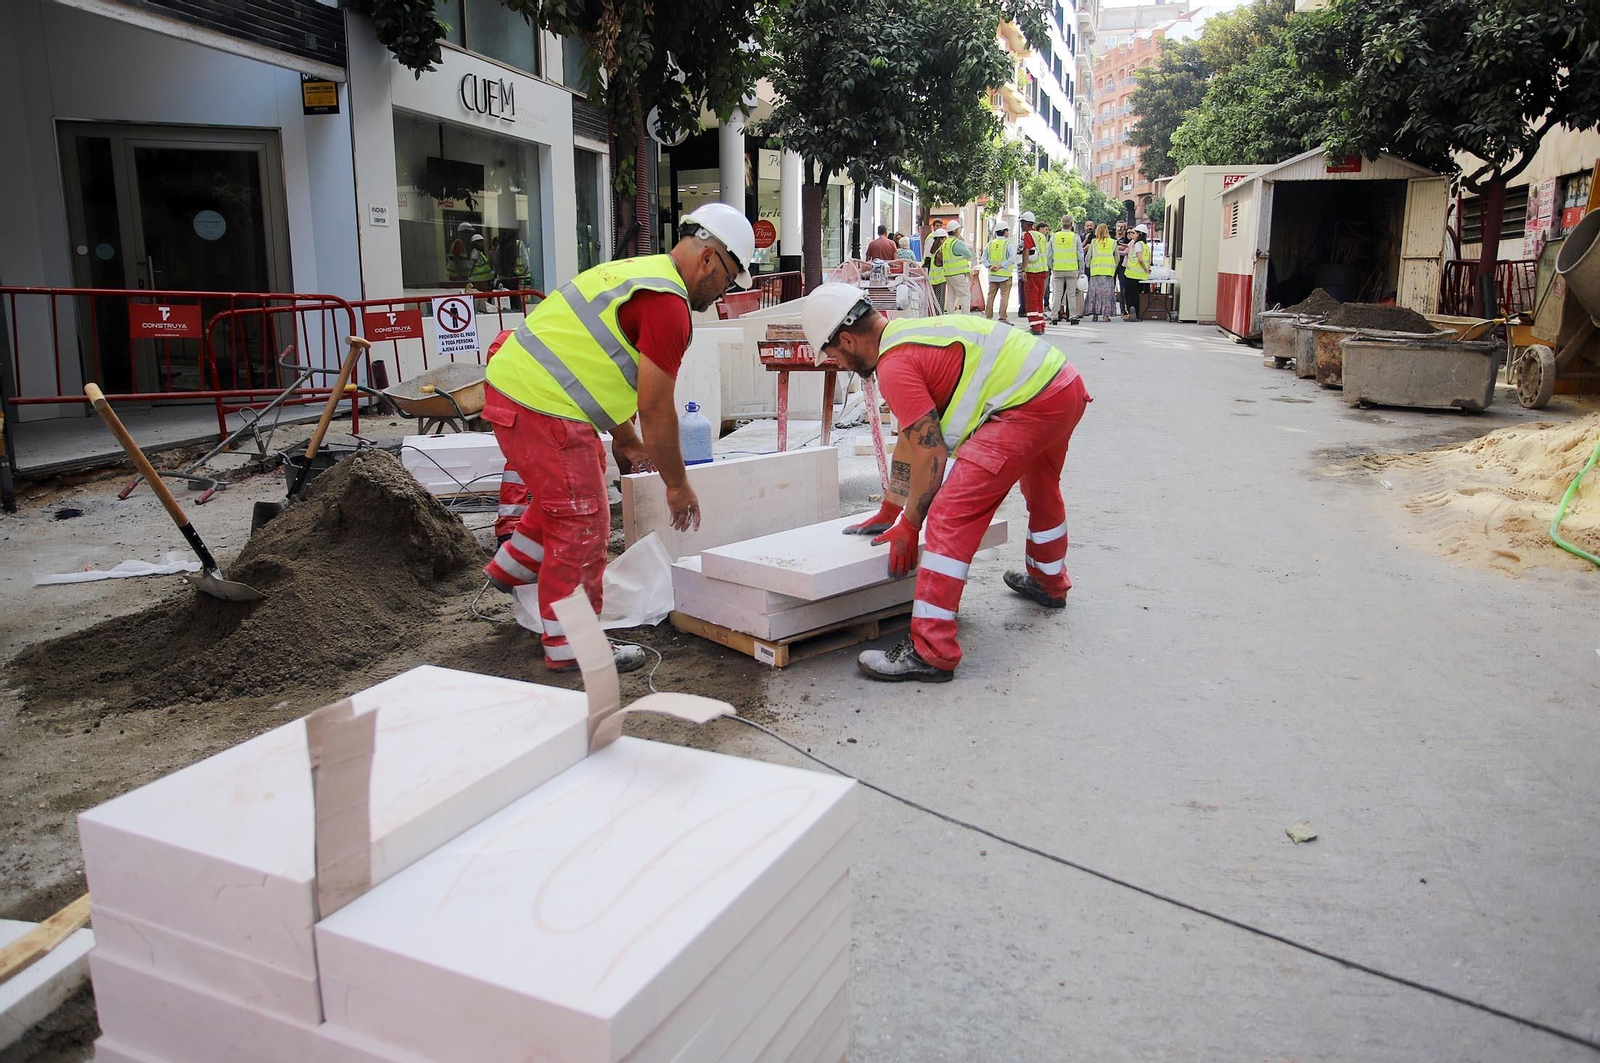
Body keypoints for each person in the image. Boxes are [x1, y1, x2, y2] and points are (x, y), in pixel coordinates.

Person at [482, 202, 755, 672]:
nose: (725, 290)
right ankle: (572, 646)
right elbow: (656, 407)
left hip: (523, 391)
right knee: (582, 520)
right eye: (729, 278)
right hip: (541, 405)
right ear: (709, 259)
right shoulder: (668, 305)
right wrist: (676, 484)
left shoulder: (641, 273)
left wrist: (625, 438)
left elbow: (590, 364)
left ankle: (514, 566)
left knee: (564, 500)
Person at [801, 283, 1091, 682]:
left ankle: (931, 650)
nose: (838, 363)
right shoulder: (907, 336)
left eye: (833, 354)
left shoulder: (894, 366)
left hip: (1029, 405)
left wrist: (911, 523)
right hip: (1062, 386)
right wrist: (891, 508)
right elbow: (911, 437)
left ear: (848, 339)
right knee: (1041, 488)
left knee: (949, 516)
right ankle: (1048, 581)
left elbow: (931, 453)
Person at [1018, 212, 1049, 334]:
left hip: (1032, 272)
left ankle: (1035, 327)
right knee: (1039, 299)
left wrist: (1024, 269)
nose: (1021, 226)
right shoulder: (1041, 236)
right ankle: (1040, 325)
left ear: (1026, 223)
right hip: (1042, 270)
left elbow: (1027, 252)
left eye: (1022, 223)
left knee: (1031, 300)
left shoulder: (1028, 235)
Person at [1050, 214, 1083, 325]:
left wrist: (1051, 267)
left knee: (1057, 293)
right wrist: (1081, 270)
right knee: (1071, 294)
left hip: (1058, 269)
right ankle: (1073, 317)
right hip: (1072, 269)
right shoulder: (1075, 237)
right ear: (1071, 224)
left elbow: (1049, 254)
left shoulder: (1054, 236)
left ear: (1061, 223)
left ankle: (1054, 317)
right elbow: (1080, 255)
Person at [1084, 222, 1118, 322]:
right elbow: (1117, 257)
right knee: (1106, 295)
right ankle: (1105, 316)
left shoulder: (1094, 242)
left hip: (1095, 272)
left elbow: (1088, 257)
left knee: (1095, 294)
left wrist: (1088, 266)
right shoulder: (1113, 242)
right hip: (1108, 272)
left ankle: (1095, 314)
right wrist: (1113, 266)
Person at [941, 218, 973, 315]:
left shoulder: (945, 243)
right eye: (959, 229)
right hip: (958, 274)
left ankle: (950, 316)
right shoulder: (957, 243)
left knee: (951, 297)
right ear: (955, 231)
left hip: (948, 274)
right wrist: (962, 241)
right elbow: (969, 255)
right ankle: (966, 318)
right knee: (964, 297)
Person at [984, 221, 1014, 321]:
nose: (1008, 233)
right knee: (1004, 297)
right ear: (1004, 232)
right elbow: (1011, 258)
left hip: (993, 275)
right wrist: (1001, 266)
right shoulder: (1007, 244)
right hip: (1004, 276)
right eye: (1007, 231)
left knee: (990, 296)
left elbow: (984, 258)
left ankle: (988, 317)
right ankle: (1002, 317)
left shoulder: (990, 244)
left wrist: (990, 266)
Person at [1122, 226, 1152, 322]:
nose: (1132, 235)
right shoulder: (1146, 246)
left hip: (1132, 275)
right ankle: (1137, 314)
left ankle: (1132, 314)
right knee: (1136, 296)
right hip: (1141, 275)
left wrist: (1146, 269)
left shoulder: (1138, 245)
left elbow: (1140, 259)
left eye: (1134, 233)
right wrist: (1146, 270)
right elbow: (1149, 260)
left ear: (1140, 234)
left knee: (1130, 296)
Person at [923, 226, 949, 311]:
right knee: (939, 304)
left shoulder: (933, 251)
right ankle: (939, 321)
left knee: (933, 303)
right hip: (940, 281)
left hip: (933, 280)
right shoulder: (940, 251)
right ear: (942, 239)